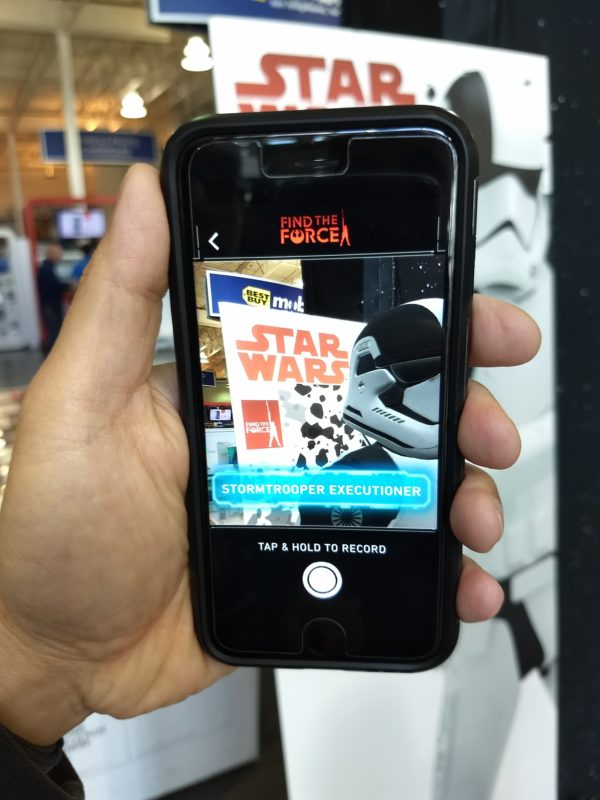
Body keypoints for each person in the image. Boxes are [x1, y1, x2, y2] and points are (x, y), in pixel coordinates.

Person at [0, 165, 540, 798]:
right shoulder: (345, 462)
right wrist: (37, 657)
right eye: (419, 385)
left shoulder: (374, 460)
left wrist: (36, 665)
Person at [37, 242, 69, 354]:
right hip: (50, 306)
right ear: (51, 254)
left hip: (51, 305)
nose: (60, 256)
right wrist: (68, 286)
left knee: (54, 331)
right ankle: (53, 356)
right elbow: (53, 286)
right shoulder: (46, 269)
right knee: (54, 332)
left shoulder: (48, 268)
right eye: (58, 253)